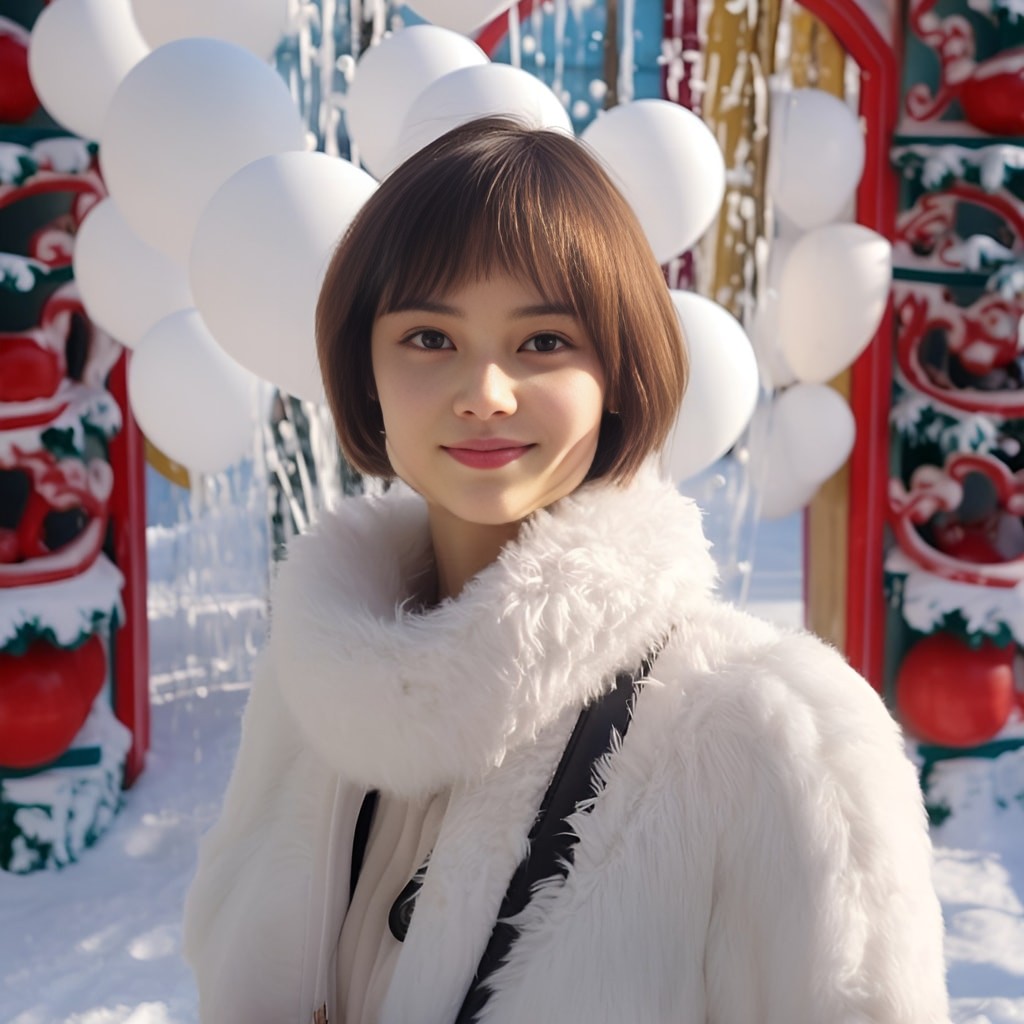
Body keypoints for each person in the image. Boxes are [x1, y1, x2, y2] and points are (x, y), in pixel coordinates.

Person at [183, 116, 950, 1024]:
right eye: (430, 337)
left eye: (543, 341)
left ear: (618, 372)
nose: (485, 392)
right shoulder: (309, 689)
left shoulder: (768, 733)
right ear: (366, 370)